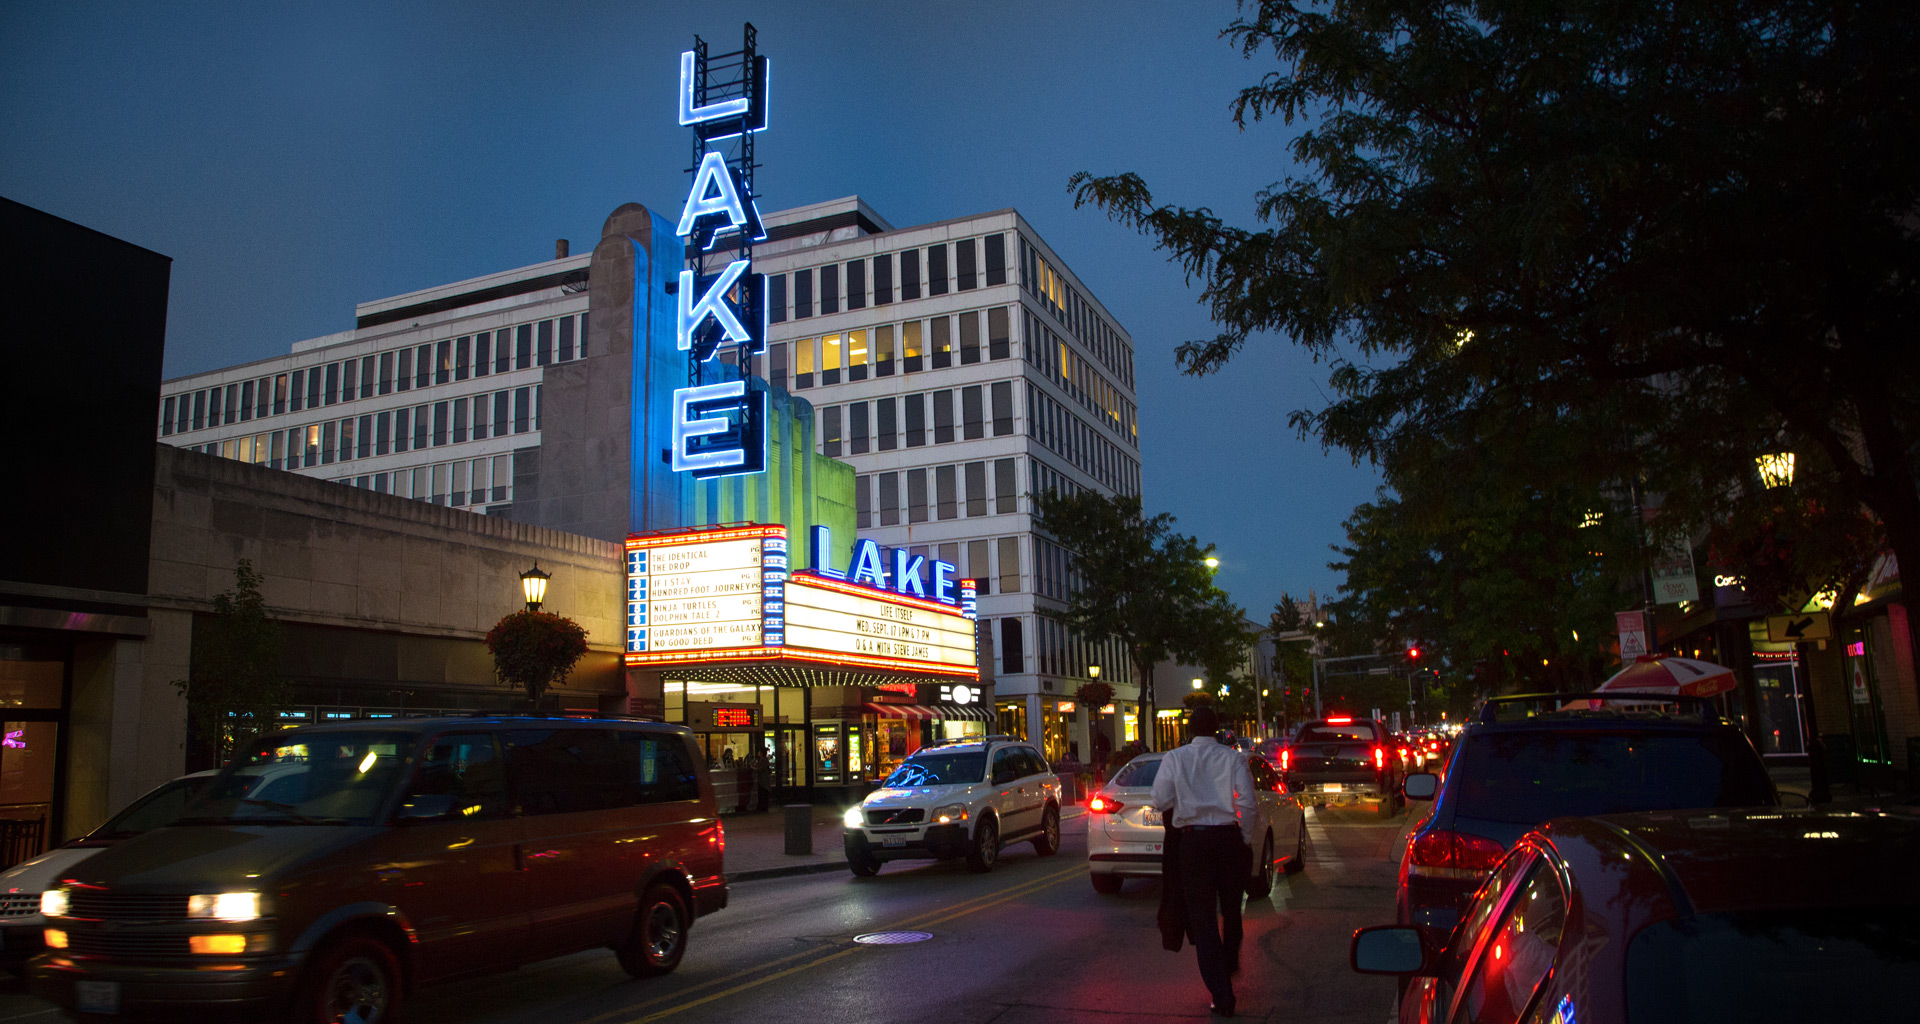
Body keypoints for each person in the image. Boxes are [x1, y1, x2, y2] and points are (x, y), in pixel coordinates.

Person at [1150, 704, 1255, 1017]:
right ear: (1218, 729)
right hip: (1227, 838)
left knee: (1203, 919)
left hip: (1193, 842)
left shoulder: (1175, 758)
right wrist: (1245, 839)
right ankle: (1229, 961)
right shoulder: (1233, 758)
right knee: (1232, 908)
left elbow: (1158, 799)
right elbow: (1247, 804)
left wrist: (1184, 796)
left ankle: (1222, 994)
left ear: (1189, 730)